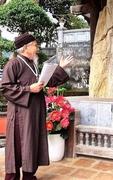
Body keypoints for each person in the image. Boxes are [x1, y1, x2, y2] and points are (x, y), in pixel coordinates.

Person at [1, 33, 73, 180]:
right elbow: (5, 88)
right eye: (35, 45)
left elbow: (43, 82)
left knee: (31, 141)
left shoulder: (32, 63)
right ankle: (12, 176)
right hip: (21, 113)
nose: (37, 48)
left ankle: (28, 175)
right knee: (18, 143)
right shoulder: (14, 64)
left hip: (34, 110)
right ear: (25, 48)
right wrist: (29, 89)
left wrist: (60, 68)